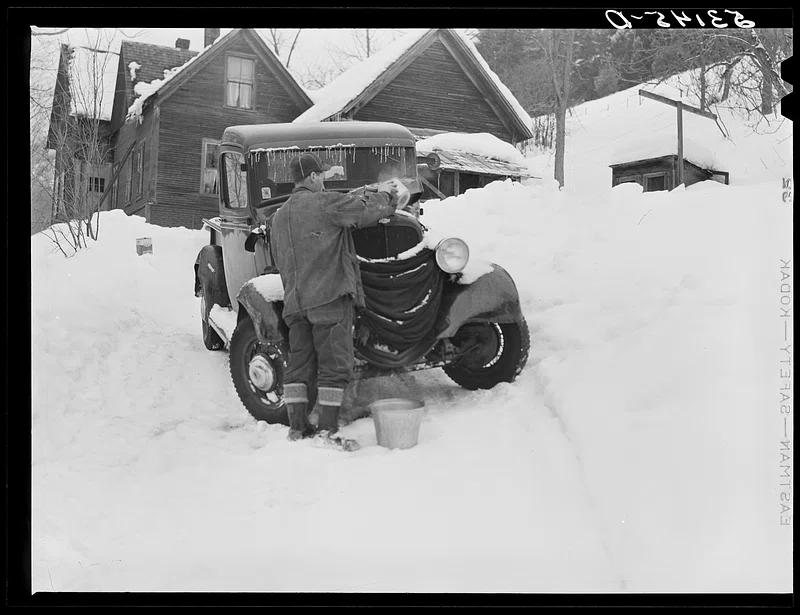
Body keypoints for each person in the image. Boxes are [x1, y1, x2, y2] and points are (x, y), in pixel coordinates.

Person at [270, 153, 400, 447]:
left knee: (299, 367)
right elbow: (363, 211)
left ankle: (297, 428)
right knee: (334, 367)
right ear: (314, 177)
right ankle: (327, 429)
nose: (325, 180)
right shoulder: (325, 202)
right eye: (323, 175)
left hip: (295, 304)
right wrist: (387, 198)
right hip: (328, 299)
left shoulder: (279, 217)